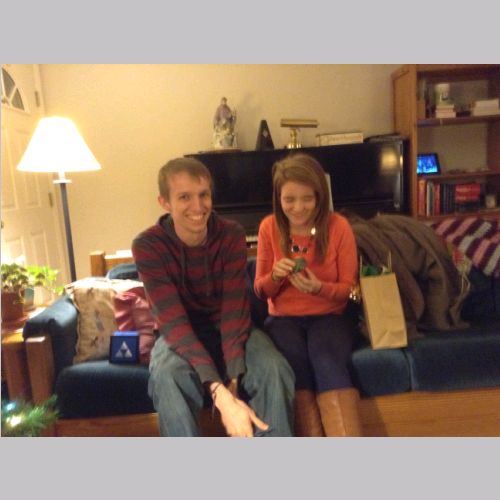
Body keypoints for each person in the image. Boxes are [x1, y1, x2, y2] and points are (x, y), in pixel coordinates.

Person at [132, 157, 294, 437]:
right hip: (179, 335)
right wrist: (220, 394)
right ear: (165, 202)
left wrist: (233, 380)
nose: (198, 207)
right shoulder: (148, 245)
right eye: (184, 197)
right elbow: (174, 324)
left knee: (274, 368)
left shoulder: (231, 234)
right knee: (168, 376)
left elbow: (233, 311)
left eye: (203, 195)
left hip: (229, 329)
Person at [254, 153, 362, 437]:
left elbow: (349, 290)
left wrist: (319, 288)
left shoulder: (338, 226)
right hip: (283, 319)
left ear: (319, 197)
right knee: (294, 364)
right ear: (278, 198)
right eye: (289, 200)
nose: (298, 208)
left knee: (326, 359)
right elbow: (260, 290)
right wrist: (275, 276)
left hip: (330, 316)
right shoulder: (268, 227)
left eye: (307, 199)